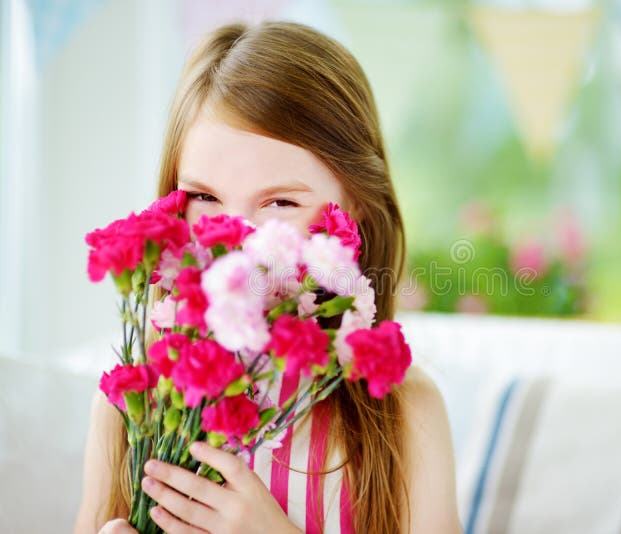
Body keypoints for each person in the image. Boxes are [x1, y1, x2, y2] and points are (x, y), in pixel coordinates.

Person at [73, 20, 461, 534]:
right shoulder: (139, 391)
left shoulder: (405, 414)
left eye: (280, 202)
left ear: (355, 212)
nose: (236, 241)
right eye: (204, 198)